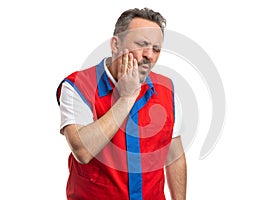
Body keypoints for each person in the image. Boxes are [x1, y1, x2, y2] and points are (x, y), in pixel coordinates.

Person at [56, 8, 186, 200]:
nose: (149, 55)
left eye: (156, 49)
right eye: (142, 44)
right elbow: (82, 151)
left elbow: (174, 156)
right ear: (116, 45)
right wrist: (126, 98)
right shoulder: (77, 86)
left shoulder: (167, 89)